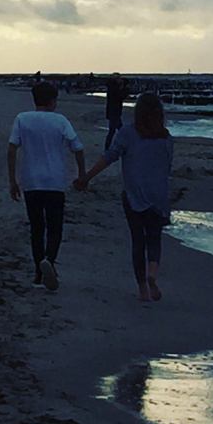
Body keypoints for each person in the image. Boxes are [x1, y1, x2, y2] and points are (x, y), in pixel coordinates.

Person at [76, 91, 173, 302]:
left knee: (138, 241)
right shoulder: (166, 138)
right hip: (158, 196)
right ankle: (152, 274)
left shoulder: (128, 134)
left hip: (133, 195)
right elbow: (167, 168)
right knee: (154, 239)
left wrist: (87, 177)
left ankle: (142, 289)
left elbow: (108, 157)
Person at [8, 82, 86, 291]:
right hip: (55, 182)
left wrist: (12, 180)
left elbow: (12, 149)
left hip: (31, 181)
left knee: (36, 228)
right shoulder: (60, 120)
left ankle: (38, 273)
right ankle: (49, 260)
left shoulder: (22, 119)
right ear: (52, 101)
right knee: (55, 227)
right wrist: (82, 175)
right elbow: (77, 148)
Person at [104, 73, 126, 150]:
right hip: (115, 112)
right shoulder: (115, 88)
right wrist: (123, 89)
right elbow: (120, 97)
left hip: (113, 111)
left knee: (118, 129)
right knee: (113, 131)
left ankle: (109, 147)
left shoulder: (111, 87)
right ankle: (107, 148)